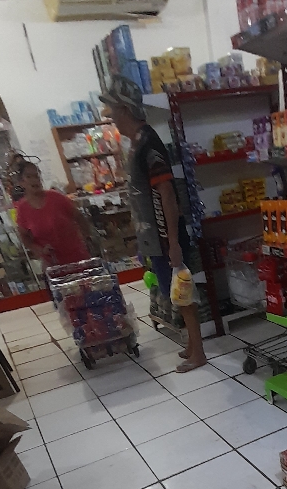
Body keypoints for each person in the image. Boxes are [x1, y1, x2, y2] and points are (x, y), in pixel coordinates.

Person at [101, 74, 206, 372]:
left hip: (165, 236)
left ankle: (199, 353)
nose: (110, 116)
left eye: (113, 109)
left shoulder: (149, 144)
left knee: (183, 293)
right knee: (175, 292)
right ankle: (192, 345)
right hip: (156, 238)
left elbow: (167, 194)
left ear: (125, 109)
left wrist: (173, 242)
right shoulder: (137, 143)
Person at [15, 161, 92, 269]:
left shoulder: (56, 197)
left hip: (79, 259)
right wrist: (40, 250)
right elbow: (24, 237)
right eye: (29, 176)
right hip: (53, 265)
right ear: (21, 182)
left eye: (36, 176)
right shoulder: (22, 208)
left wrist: (87, 239)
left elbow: (79, 217)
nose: (35, 180)